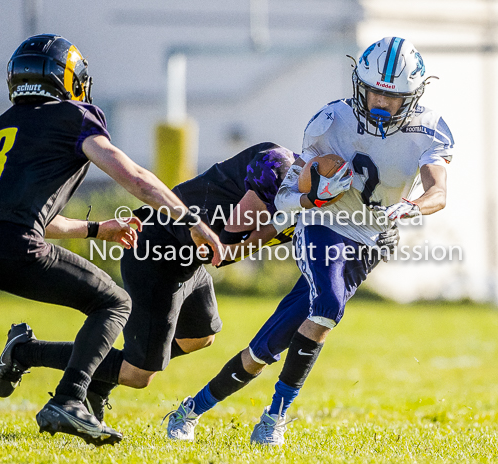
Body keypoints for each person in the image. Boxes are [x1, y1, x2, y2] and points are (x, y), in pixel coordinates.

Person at [0, 34, 223, 447]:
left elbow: (23, 212)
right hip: (16, 247)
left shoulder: (5, 124)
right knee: (114, 302)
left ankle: (67, 389)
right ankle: (71, 398)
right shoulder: (73, 116)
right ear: (68, 78)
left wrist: (94, 229)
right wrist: (190, 218)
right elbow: (136, 178)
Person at [165, 36, 454, 446]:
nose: (379, 102)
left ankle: (189, 410)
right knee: (328, 304)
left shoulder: (428, 129)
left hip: (373, 237)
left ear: (412, 96)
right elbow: (285, 197)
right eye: (373, 90)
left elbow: (439, 192)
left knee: (267, 347)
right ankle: (275, 419)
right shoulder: (331, 121)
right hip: (323, 223)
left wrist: (413, 206)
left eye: (391, 97)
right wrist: (312, 196)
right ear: (359, 84)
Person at [0, 141, 320, 421]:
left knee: (200, 336)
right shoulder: (277, 168)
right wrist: (284, 220)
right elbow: (226, 250)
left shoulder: (320, 208)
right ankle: (24, 352)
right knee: (138, 375)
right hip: (155, 251)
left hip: (186, 262)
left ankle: (101, 380)